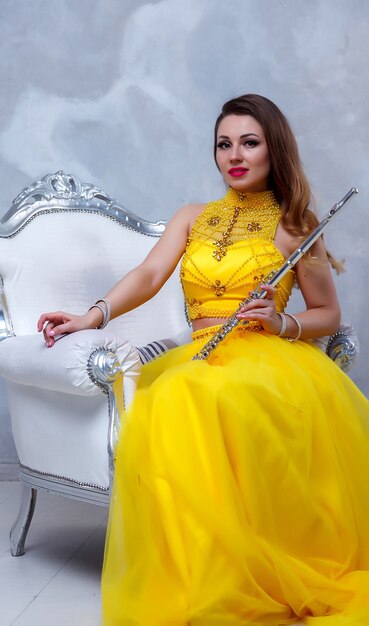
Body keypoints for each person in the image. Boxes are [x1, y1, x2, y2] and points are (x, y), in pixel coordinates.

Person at [38, 94, 369, 625]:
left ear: (273, 150)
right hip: (201, 353)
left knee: (209, 397)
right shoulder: (192, 217)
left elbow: (328, 312)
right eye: (224, 144)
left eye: (250, 142)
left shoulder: (295, 224)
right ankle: (204, 569)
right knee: (177, 394)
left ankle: (254, 570)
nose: (234, 155)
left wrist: (281, 322)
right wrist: (90, 317)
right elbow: (148, 277)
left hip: (268, 356)